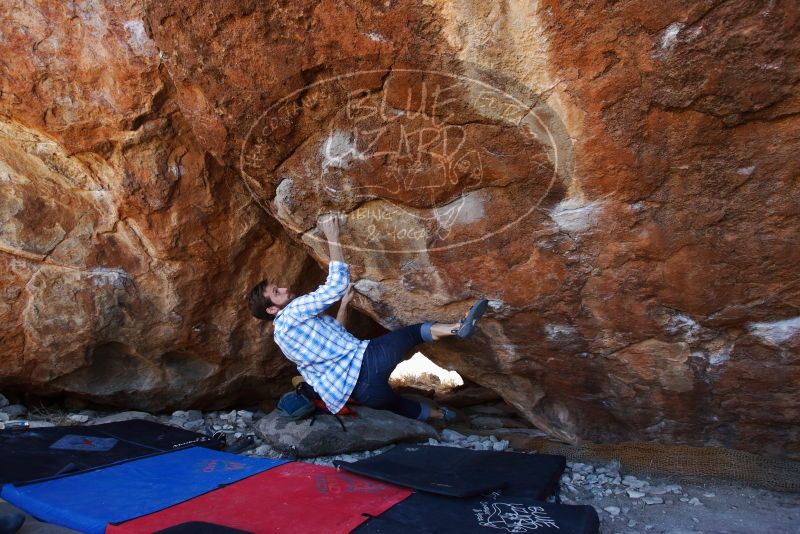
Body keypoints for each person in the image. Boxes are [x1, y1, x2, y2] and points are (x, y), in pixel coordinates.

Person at [247, 213, 488, 422]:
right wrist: (333, 237)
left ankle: (442, 417)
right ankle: (458, 327)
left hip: (363, 393)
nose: (284, 288)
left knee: (396, 404)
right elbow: (336, 284)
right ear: (271, 310)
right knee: (413, 333)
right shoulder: (295, 310)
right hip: (369, 363)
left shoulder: (282, 337)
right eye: (276, 292)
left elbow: (336, 338)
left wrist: (344, 307)